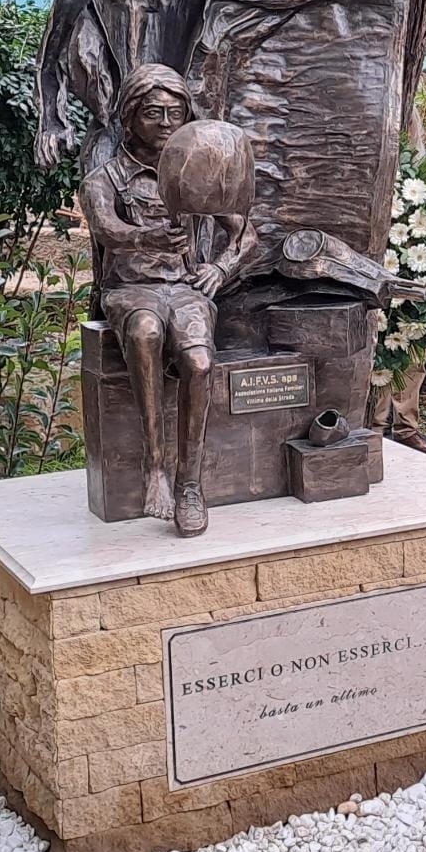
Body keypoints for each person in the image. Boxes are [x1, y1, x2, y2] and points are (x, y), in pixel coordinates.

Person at [80, 63, 256, 536]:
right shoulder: (106, 178)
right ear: (130, 116)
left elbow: (245, 234)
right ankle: (153, 466)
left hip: (183, 290)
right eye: (153, 112)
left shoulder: (197, 171)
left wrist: (220, 268)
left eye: (174, 113)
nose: (164, 122)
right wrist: (146, 237)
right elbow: (106, 229)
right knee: (145, 331)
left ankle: (189, 484)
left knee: (199, 362)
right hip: (131, 290)